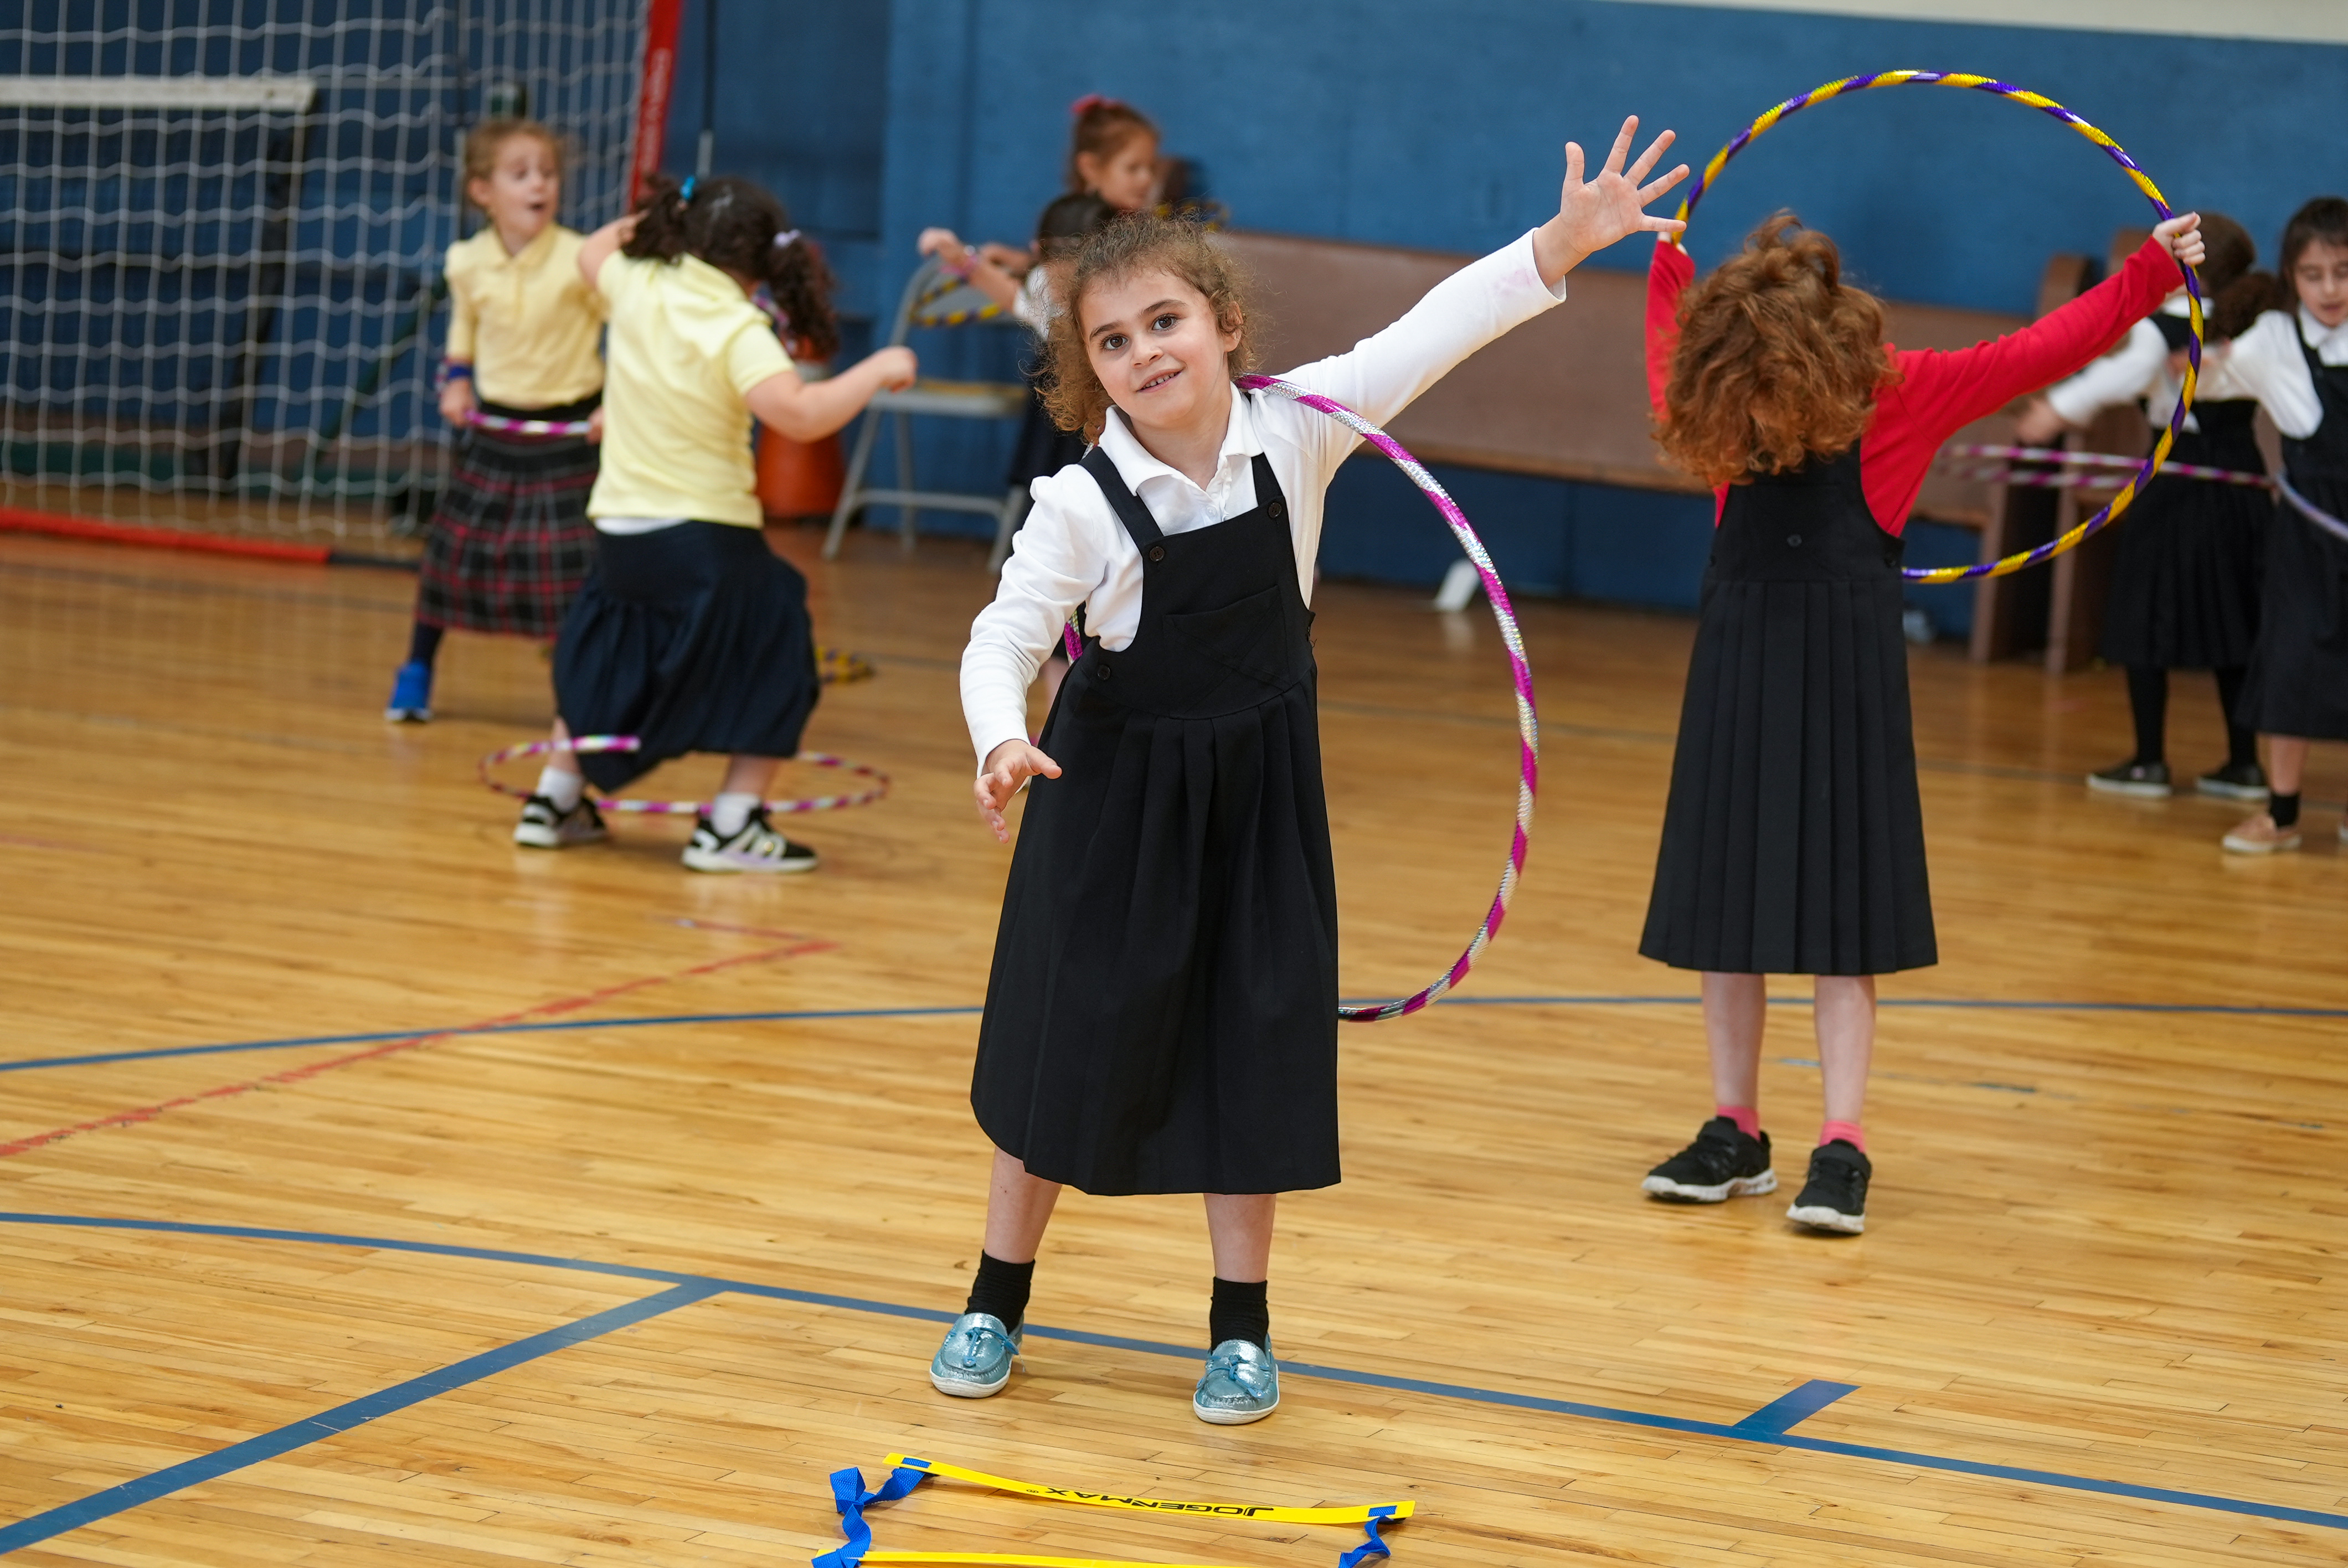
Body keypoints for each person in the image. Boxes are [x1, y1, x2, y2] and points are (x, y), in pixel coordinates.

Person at [930, 119, 1691, 1423]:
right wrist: (1000, 732)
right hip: (1106, 799)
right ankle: (994, 1296)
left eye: (1163, 321)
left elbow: (1432, 330)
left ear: (1221, 322)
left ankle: (1239, 1331)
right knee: (1064, 1052)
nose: (1142, 354)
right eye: (1109, 342)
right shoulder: (1076, 503)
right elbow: (998, 634)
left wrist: (1562, 245)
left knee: (1253, 1050)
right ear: (1087, 369)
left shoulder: (1300, 433)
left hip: (1257, 793)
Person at [1638, 209, 2207, 1234]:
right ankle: (1737, 1128)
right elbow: (1665, 346)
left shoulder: (1901, 393)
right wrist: (1667, 259)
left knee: (1843, 928)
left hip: (1846, 681)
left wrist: (2151, 274)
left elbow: (2044, 349)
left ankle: (1843, 1142)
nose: (1751, 401)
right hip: (1737, 671)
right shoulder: (1716, 401)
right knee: (1729, 918)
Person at [513, 174, 915, 869]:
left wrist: (668, 210)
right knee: (778, 642)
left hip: (621, 535)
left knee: (611, 655)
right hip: (704, 537)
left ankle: (555, 798)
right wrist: (880, 366)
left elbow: (595, 249)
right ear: (760, 264)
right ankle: (732, 824)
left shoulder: (635, 282)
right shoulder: (737, 326)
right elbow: (800, 414)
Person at [2012, 213, 2275, 802]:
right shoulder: (2258, 322)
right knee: (2234, 621)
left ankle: (2149, 762)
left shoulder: (2169, 325)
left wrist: (2053, 412)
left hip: (2181, 484)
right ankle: (2244, 765)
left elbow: (2119, 373)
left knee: (2140, 614)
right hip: (2242, 486)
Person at [387, 118, 606, 723]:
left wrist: (618, 402)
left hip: (570, 433)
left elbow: (629, 327)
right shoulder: (467, 261)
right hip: (494, 432)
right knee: (450, 559)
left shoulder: (581, 258)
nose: (539, 184)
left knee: (571, 573)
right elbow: (465, 329)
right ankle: (417, 670)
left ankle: (576, 698)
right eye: (521, 174)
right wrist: (457, 379)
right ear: (482, 191)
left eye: (548, 172)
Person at [2197, 197, 2348, 853]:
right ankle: (2281, 813)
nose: (2330, 290)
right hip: (2307, 531)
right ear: (2291, 276)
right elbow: (2204, 380)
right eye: (2314, 275)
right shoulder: (2275, 339)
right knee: (2291, 663)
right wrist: (2180, 367)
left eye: (2344, 272)